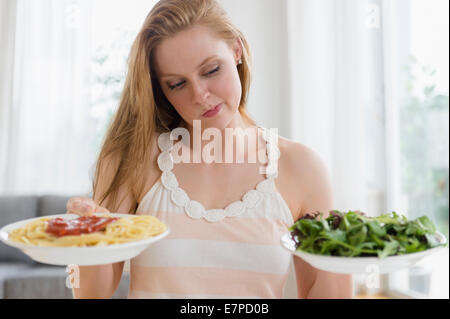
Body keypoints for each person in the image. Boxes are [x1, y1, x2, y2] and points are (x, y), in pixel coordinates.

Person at [66, 0, 353, 299]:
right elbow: (91, 295)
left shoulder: (300, 168)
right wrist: (89, 234)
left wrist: (345, 250)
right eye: (177, 84)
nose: (200, 95)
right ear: (161, 90)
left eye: (212, 70)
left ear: (237, 50)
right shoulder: (134, 160)